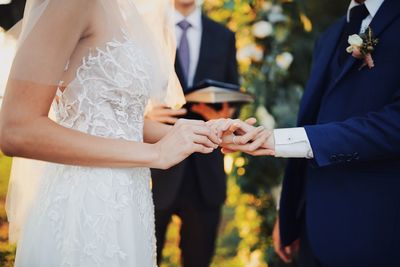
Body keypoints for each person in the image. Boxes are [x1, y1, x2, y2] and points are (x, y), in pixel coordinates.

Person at [0, 0, 252, 265]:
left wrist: (195, 131)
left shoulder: (124, 8)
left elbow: (119, 119)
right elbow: (16, 130)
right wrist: (155, 153)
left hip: (130, 200)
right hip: (86, 204)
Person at [219, 0, 400, 266]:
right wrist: (289, 214)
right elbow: (313, 118)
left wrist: (275, 140)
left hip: (375, 233)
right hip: (312, 232)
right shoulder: (329, 36)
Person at [146, 0, 239, 266]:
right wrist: (145, 116)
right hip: (154, 166)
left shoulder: (223, 36)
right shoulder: (148, 31)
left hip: (204, 169)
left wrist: (224, 115)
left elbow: (232, 92)